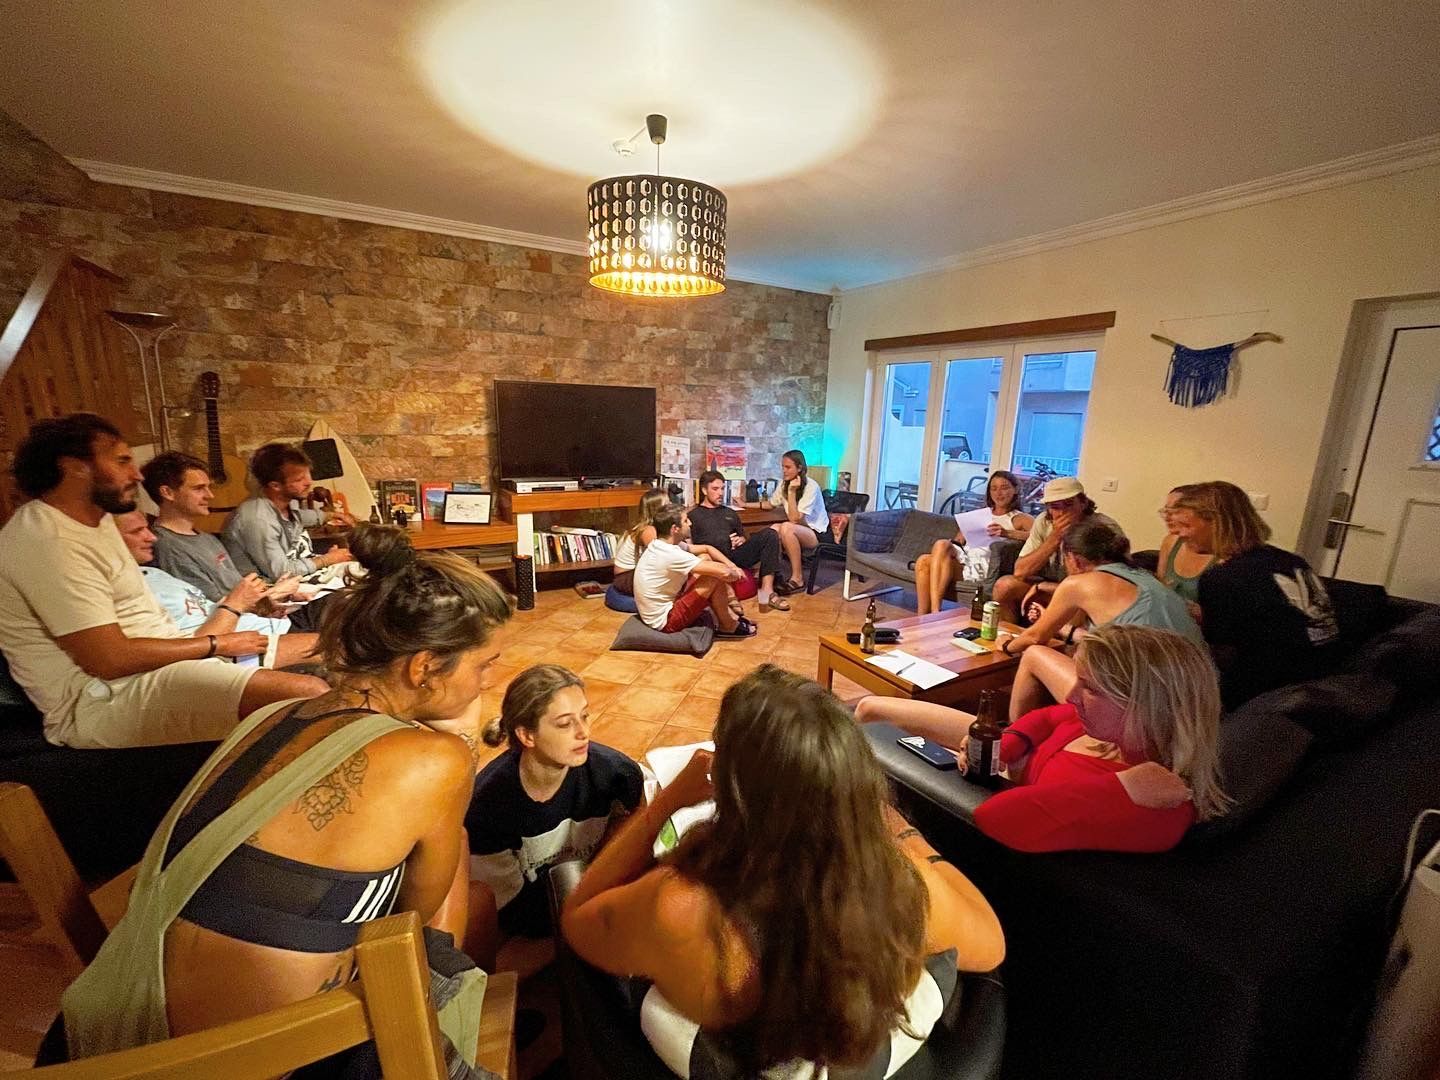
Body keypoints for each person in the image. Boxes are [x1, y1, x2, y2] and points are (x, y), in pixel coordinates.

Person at [52, 523, 513, 1064]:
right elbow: (412, 921)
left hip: (116, 1019)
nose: (486, 682)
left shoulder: (276, 713)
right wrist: (460, 741)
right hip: (258, 1058)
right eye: (484, 666)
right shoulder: (432, 761)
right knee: (455, 886)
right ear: (424, 667)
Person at [561, 666, 1005, 1076]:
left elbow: (578, 917)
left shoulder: (681, 907)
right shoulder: (902, 887)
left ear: (734, 792)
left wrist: (667, 800)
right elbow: (992, 944)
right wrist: (896, 828)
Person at [0, 414, 326, 749]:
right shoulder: (45, 540)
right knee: (314, 696)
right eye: (122, 460)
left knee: (332, 645)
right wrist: (217, 644)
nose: (137, 474)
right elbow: (108, 660)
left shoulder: (94, 524)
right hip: (105, 699)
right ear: (73, 468)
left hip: (162, 668)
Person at [858, 625, 1229, 853]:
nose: (1071, 695)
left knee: (874, 727)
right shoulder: (1110, 727)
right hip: (1007, 755)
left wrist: (1119, 789)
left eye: (1091, 689)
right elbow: (1052, 715)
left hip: (993, 790)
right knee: (870, 709)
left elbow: (997, 817)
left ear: (1149, 706)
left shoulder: (1155, 803)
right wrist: (1011, 743)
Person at [466, 664, 643, 965]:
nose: (583, 732)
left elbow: (635, 849)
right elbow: (512, 911)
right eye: (564, 724)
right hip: (542, 919)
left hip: (592, 901)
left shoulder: (617, 775)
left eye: (584, 716)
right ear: (526, 735)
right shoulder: (488, 805)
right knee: (494, 969)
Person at [1170, 481, 1339, 708]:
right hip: (1323, 676)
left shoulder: (1224, 577)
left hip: (1268, 693)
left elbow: (1215, 651)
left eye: (1186, 525)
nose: (1177, 533)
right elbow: (1267, 617)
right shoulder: (1291, 560)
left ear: (1217, 524)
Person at [115, 510, 321, 672]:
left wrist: (262, 604)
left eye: (146, 529)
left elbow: (210, 606)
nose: (151, 537)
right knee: (336, 645)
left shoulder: (154, 573)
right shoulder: (130, 585)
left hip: (266, 622)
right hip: (239, 646)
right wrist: (239, 604)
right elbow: (195, 649)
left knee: (344, 604)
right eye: (136, 531)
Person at [142, 450, 294, 604]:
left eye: (208, 487)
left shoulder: (206, 538)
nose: (210, 495)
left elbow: (236, 587)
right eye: (198, 488)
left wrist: (273, 590)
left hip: (261, 610)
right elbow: (210, 607)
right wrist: (276, 594)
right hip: (244, 621)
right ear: (167, 492)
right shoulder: (168, 547)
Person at [992, 477, 1121, 624]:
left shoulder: (1102, 528)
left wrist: (1045, 587)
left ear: (1083, 503)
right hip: (1053, 586)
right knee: (1004, 585)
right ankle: (1009, 636)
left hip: (1088, 592)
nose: (1062, 512)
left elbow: (1102, 584)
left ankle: (1064, 643)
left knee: (1075, 597)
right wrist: (1055, 538)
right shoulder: (1044, 522)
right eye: (1055, 506)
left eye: (1068, 504)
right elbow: (1020, 571)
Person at [222, 442, 353, 580]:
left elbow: (297, 517)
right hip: (271, 589)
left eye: (308, 475)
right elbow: (281, 572)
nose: (309, 482)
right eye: (299, 479)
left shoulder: (286, 501)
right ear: (275, 485)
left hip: (299, 574)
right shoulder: (258, 520)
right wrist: (327, 559)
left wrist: (332, 515)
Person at [913, 469, 1034, 615]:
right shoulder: (981, 513)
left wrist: (1007, 533)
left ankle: (931, 614)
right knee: (931, 554)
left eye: (1004, 487)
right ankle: (929, 613)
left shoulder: (1020, 518)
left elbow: (1039, 537)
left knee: (925, 561)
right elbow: (958, 541)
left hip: (984, 566)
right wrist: (966, 531)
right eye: (993, 488)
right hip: (966, 557)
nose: (998, 493)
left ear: (1015, 489)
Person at [634, 505, 755, 638]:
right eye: (686, 521)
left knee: (707, 560)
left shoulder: (662, 544)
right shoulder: (670, 553)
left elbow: (706, 549)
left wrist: (732, 565)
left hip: (666, 604)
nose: (690, 523)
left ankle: (729, 616)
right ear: (675, 529)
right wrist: (736, 575)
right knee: (714, 576)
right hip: (665, 621)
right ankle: (728, 625)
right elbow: (724, 573)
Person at [688, 469, 789, 611]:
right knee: (718, 540)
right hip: (712, 559)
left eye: (723, 488)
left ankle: (767, 591)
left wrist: (741, 540)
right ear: (704, 490)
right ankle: (730, 596)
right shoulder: (694, 515)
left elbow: (742, 536)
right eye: (715, 489)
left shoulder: (729, 512)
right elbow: (692, 544)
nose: (721, 493)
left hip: (735, 556)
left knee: (770, 534)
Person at [733, 449, 830, 595]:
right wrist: (744, 504)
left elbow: (795, 519)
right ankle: (772, 574)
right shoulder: (784, 484)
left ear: (800, 468)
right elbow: (770, 504)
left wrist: (791, 492)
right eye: (782, 467)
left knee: (786, 527)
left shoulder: (811, 487)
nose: (784, 471)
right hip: (798, 528)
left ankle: (798, 579)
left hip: (817, 533)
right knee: (773, 530)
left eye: (788, 467)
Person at [1154, 484, 1214, 614]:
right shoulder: (1171, 541)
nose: (1169, 517)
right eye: (1166, 511)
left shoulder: (1227, 558)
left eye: (1176, 511)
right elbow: (1161, 588)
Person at [611, 488, 670, 596]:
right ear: (657, 509)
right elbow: (661, 555)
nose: (671, 506)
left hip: (633, 574)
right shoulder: (648, 530)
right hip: (626, 577)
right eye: (667, 504)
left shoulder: (651, 528)